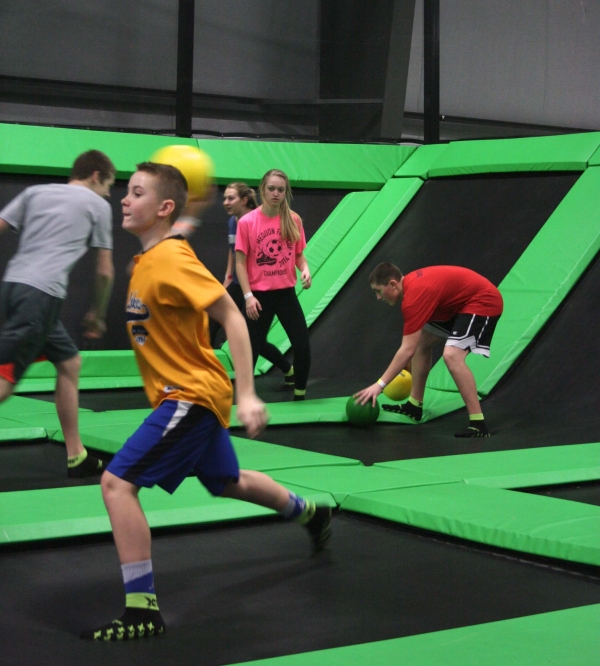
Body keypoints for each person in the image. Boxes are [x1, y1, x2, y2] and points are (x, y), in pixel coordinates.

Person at [81, 162, 331, 642]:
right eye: (126, 192)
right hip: (186, 395)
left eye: (136, 193)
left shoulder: (172, 258)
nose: (124, 200)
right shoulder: (150, 259)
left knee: (116, 484)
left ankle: (141, 608)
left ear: (164, 208)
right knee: (227, 481)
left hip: (190, 396)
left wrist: (249, 393)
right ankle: (310, 512)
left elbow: (232, 317)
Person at [0, 149, 115, 476]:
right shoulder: (98, 206)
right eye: (108, 184)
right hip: (41, 296)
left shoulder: (35, 192)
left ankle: (76, 455)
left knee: (70, 363)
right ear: (96, 175)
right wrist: (98, 313)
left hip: (14, 287)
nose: (109, 192)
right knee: (5, 383)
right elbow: (105, 271)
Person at [354, 263, 503, 437]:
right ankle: (414, 406)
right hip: (456, 305)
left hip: (483, 301)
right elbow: (412, 347)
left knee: (452, 356)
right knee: (422, 342)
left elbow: (406, 350)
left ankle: (478, 424)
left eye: (378, 291)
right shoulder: (411, 289)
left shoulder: (413, 297)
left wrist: (379, 386)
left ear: (393, 284)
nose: (378, 297)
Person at [235, 170, 311, 401]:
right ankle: (245, 398)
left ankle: (300, 395)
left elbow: (299, 255)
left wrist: (305, 269)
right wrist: (248, 296)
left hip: (286, 294)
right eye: (271, 189)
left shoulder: (293, 219)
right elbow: (240, 263)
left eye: (281, 189)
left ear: (286, 192)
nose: (276, 193)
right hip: (259, 296)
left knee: (302, 346)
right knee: (251, 350)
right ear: (262, 189)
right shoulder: (247, 222)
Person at [211, 182, 295, 386]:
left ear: (244, 200)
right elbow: (234, 251)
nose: (225, 202)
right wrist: (228, 277)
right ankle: (206, 376)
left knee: (254, 339)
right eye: (224, 198)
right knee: (212, 322)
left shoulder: (258, 220)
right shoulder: (233, 222)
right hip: (237, 284)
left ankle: (287, 368)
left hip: (256, 287)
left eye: (230, 198)